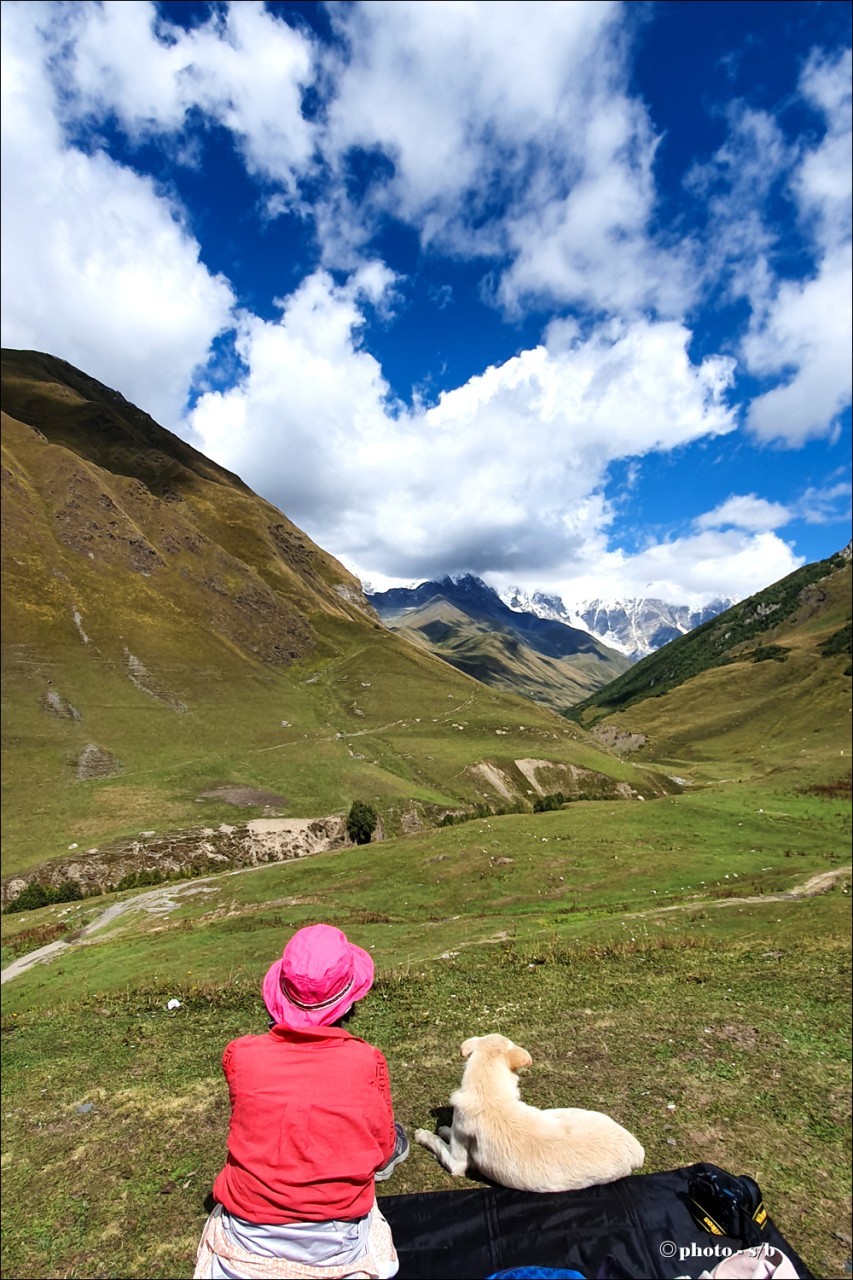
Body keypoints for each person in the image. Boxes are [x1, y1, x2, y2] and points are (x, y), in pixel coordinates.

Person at [195, 924, 409, 1280]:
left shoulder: (241, 1055)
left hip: (248, 1237)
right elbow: (383, 1151)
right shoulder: (366, 1061)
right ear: (350, 1000)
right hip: (336, 1244)